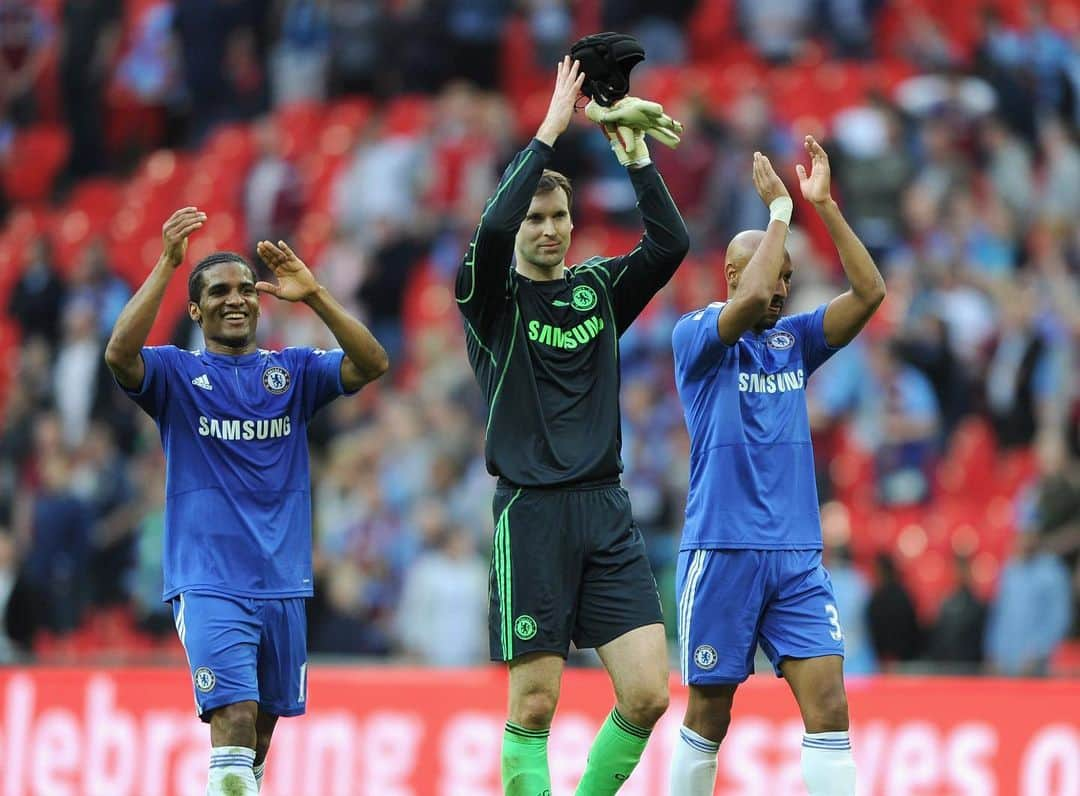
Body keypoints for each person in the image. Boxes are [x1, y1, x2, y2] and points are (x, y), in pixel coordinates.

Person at [456, 57, 689, 795]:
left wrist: (635, 155)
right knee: (534, 702)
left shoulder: (596, 291)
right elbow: (492, 226)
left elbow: (669, 246)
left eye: (559, 217)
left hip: (605, 508)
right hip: (532, 513)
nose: (550, 229)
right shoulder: (487, 299)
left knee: (650, 691)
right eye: (538, 218)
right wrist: (552, 131)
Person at [104, 207, 388, 795]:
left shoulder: (293, 372)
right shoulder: (176, 375)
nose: (235, 299)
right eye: (217, 291)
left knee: (256, 741)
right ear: (195, 309)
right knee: (231, 722)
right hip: (209, 580)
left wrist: (315, 297)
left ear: (260, 303)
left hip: (283, 583)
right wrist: (165, 264)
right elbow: (118, 355)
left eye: (244, 289)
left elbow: (372, 363)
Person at [669, 136, 886, 796]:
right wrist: (778, 214)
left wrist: (822, 205)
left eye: (790, 276)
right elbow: (757, 285)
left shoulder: (795, 343)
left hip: (795, 556)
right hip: (722, 550)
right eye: (770, 273)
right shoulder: (698, 337)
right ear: (732, 276)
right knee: (710, 713)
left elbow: (871, 291)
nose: (781, 285)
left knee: (830, 710)